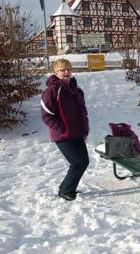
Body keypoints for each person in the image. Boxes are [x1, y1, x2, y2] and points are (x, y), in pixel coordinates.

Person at [41, 59, 89, 201]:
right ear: (56, 73)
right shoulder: (51, 91)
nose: (66, 72)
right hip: (63, 135)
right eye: (62, 70)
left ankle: (67, 188)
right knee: (77, 162)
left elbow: (83, 112)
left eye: (68, 69)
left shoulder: (77, 90)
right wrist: (62, 129)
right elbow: (46, 115)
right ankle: (65, 191)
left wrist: (85, 130)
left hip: (78, 133)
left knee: (83, 162)